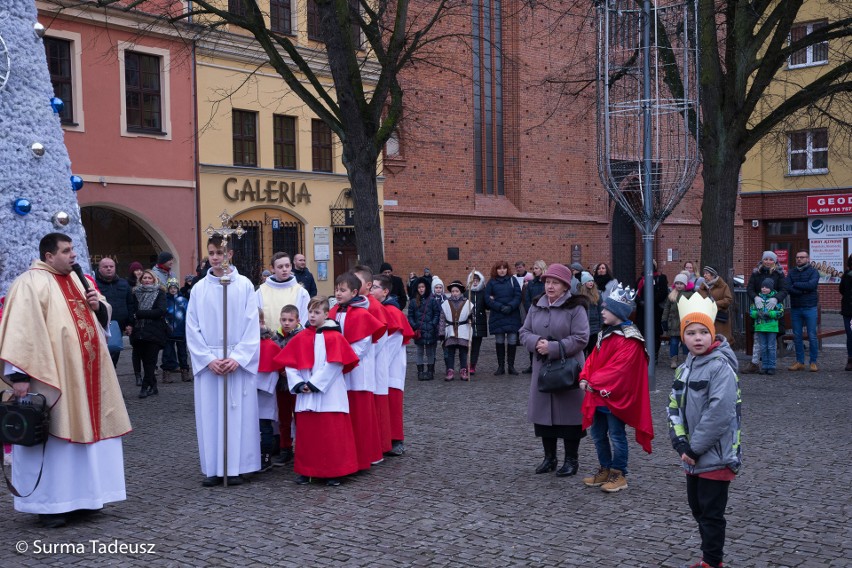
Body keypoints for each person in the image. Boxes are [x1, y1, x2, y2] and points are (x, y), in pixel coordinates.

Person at [0, 232, 132, 528]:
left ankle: (85, 499)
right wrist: (19, 376)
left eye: (73, 249)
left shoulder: (77, 279)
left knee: (86, 443)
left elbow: (101, 314)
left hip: (88, 377)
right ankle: (50, 504)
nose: (73, 255)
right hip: (53, 379)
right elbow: (19, 333)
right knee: (56, 440)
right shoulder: (29, 284)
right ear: (49, 255)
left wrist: (99, 307)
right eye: (66, 250)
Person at [667, 294, 742, 568]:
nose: (697, 338)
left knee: (711, 513)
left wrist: (695, 447)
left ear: (712, 334)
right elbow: (673, 405)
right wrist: (681, 443)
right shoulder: (685, 368)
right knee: (697, 509)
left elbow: (719, 412)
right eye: (690, 332)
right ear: (683, 337)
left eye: (702, 332)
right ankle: (708, 557)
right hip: (691, 456)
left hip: (716, 455)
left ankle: (712, 561)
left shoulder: (720, 367)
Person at [187, 235, 261, 487]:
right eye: (211, 252)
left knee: (237, 413)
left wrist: (238, 358)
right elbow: (192, 327)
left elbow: (252, 326)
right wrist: (208, 359)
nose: (215, 257)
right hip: (210, 362)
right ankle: (214, 468)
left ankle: (238, 467)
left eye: (220, 252)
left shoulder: (244, 286)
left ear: (230, 254)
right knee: (211, 415)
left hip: (236, 361)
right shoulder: (199, 288)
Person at [276, 296, 360, 486]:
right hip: (305, 395)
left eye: (317, 313)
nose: (312, 316)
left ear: (325, 314)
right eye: (310, 312)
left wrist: (314, 384)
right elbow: (290, 364)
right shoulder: (301, 336)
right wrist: (298, 384)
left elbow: (336, 364)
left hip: (329, 394)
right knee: (308, 436)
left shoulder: (335, 337)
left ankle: (334, 472)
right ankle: (307, 470)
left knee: (331, 435)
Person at [579, 284, 654, 493]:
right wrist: (585, 376)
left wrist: (591, 381)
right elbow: (593, 358)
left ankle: (618, 473)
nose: (601, 311)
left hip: (615, 397)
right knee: (598, 434)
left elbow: (619, 370)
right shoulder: (607, 333)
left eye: (606, 309)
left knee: (616, 435)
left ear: (618, 312)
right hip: (598, 396)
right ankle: (604, 468)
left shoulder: (631, 339)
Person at [520, 264, 590, 477]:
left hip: (568, 368)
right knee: (544, 418)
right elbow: (524, 331)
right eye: (548, 282)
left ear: (565, 285)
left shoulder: (575, 307)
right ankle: (549, 457)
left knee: (570, 418)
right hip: (543, 369)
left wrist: (552, 348)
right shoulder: (536, 305)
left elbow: (581, 338)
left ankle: (571, 460)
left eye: (555, 283)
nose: (550, 286)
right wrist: (536, 342)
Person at [329, 272, 385, 471]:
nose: (338, 293)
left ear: (354, 292)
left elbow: (363, 344)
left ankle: (364, 457)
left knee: (361, 418)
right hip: (338, 370)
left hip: (357, 370)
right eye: (336, 289)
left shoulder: (362, 314)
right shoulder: (333, 311)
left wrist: (344, 359)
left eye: (342, 290)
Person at [371, 275, 414, 456]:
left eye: (374, 287)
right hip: (379, 366)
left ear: (385, 291)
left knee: (393, 403)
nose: (371, 290)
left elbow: (392, 344)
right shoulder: (375, 310)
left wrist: (377, 366)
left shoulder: (393, 312)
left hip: (391, 366)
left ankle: (396, 439)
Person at [743, 251, 788, 374]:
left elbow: (784, 289)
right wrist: (755, 297)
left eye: (770, 259)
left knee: (771, 343)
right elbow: (750, 288)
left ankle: (770, 365)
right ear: (762, 260)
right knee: (758, 339)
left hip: (773, 309)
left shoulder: (779, 273)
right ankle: (755, 362)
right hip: (758, 309)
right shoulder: (756, 272)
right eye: (765, 259)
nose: (768, 261)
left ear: (775, 261)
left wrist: (776, 298)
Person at [272, 304, 304, 466]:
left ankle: (302, 449)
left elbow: (304, 357)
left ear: (297, 320)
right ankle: (285, 448)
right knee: (283, 418)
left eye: (290, 320)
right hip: (281, 384)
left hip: (297, 385)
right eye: (283, 320)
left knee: (300, 417)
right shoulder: (275, 338)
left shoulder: (302, 336)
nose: (286, 323)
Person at [130, 269, 169, 398]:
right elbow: (132, 310)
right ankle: (154, 386)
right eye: (144, 278)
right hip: (139, 332)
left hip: (155, 331)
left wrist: (139, 314)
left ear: (154, 279)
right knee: (144, 360)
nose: (147, 280)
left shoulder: (160, 293)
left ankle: (144, 387)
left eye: (149, 278)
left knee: (150, 361)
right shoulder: (135, 293)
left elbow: (160, 311)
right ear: (141, 280)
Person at [485, 260, 523, 375]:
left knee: (512, 340)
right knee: (499, 341)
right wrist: (500, 307)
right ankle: (500, 366)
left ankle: (511, 366)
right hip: (498, 315)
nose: (502, 270)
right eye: (499, 268)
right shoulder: (491, 282)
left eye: (504, 268)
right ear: (496, 270)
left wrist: (510, 306)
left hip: (512, 314)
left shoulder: (513, 280)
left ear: (507, 269)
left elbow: (518, 295)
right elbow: (487, 298)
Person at [95, 257, 134, 366]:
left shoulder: (124, 284)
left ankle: (111, 376)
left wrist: (130, 323)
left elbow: (130, 304)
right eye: (105, 267)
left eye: (111, 266)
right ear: (99, 268)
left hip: (119, 326)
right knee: (102, 355)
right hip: (101, 325)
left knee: (114, 351)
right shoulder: (93, 284)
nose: (109, 269)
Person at [257, 252, 310, 330]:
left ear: (291, 266)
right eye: (280, 267)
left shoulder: (301, 292)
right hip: (268, 339)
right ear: (272, 268)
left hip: (294, 339)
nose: (284, 269)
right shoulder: (260, 291)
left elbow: (304, 319)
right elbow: (257, 319)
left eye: (287, 266)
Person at [786, 250, 820, 372]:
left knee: (812, 336)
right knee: (797, 336)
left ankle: (813, 362)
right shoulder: (791, 272)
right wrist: (802, 290)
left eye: (802, 257)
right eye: (797, 257)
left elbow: (812, 285)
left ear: (808, 259)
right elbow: (788, 287)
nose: (799, 259)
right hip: (796, 308)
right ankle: (800, 361)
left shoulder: (813, 271)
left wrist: (796, 285)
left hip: (810, 307)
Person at [256, 313, 281, 473]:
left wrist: (259, 385)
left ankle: (266, 458)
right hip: (248, 395)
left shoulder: (270, 344)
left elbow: (276, 370)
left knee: (265, 428)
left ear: (262, 322)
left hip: (264, 394)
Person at [438, 280, 473, 381]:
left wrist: (471, 317)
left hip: (463, 330)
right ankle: (450, 370)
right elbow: (442, 319)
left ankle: (463, 370)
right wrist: (441, 333)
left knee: (463, 352)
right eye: (453, 291)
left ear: (460, 292)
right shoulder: (446, 304)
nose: (454, 293)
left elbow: (471, 318)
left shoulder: (467, 303)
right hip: (450, 330)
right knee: (450, 352)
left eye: (457, 291)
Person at [635, 260, 668, 362]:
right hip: (641, 311)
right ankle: (642, 354)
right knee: (641, 333)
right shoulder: (640, 279)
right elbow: (635, 293)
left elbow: (663, 293)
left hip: (655, 310)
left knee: (654, 333)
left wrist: (650, 301)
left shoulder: (660, 278)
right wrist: (640, 301)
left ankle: (654, 355)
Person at [749, 278, 784, 376]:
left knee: (771, 347)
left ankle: (771, 366)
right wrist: (757, 314)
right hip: (760, 327)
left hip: (772, 327)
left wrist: (771, 314)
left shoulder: (775, 300)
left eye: (766, 287)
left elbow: (780, 312)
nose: (764, 289)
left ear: (771, 288)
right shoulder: (757, 299)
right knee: (763, 347)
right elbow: (751, 311)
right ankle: (764, 366)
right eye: (762, 287)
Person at [408, 278, 440, 380]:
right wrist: (415, 326)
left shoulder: (432, 301)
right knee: (420, 351)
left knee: (430, 351)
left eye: (422, 287)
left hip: (431, 330)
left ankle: (430, 371)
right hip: (420, 330)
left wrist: (433, 324)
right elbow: (410, 316)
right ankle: (420, 372)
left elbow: (436, 313)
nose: (421, 289)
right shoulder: (413, 302)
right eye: (419, 287)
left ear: (426, 288)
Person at [662, 273, 695, 369]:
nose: (679, 285)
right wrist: (664, 320)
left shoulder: (690, 295)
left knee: (686, 343)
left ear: (685, 284)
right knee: (673, 342)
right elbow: (666, 309)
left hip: (686, 323)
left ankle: (687, 359)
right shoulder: (672, 295)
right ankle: (673, 360)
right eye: (677, 283)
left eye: (681, 283)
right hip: (673, 323)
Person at [162, 278, 191, 383]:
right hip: (168, 331)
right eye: (171, 288)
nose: (173, 290)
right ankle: (166, 372)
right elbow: (162, 313)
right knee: (167, 353)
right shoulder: (165, 300)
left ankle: (185, 371)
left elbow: (188, 314)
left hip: (180, 330)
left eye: (175, 288)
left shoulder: (183, 300)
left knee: (183, 353)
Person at [522, 261, 547, 373]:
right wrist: (530, 310)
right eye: (534, 268)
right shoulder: (531, 283)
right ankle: (532, 364)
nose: (534, 270)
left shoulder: (546, 283)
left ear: (542, 269)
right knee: (533, 339)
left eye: (536, 268)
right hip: (533, 312)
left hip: (545, 313)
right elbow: (526, 299)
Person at [696, 266, 734, 342]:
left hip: (719, 318)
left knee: (720, 340)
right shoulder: (702, 287)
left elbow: (728, 299)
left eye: (707, 273)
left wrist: (715, 304)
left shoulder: (723, 286)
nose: (704, 275)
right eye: (704, 273)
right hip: (706, 318)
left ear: (713, 275)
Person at [466, 270, 488, 375]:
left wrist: (490, 298)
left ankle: (473, 365)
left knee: (476, 346)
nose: (475, 282)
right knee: (467, 345)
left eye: (477, 280)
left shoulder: (483, 293)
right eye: (473, 280)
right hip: (468, 323)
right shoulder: (466, 293)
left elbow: (487, 306)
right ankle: (466, 364)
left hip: (479, 323)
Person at [577, 271, 602, 357]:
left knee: (593, 352)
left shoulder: (598, 294)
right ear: (584, 283)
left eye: (592, 281)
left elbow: (600, 310)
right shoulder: (579, 295)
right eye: (588, 281)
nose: (591, 283)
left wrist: (601, 326)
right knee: (583, 352)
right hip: (583, 327)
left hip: (595, 327)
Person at [840, 256, 852, 371]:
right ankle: (850, 359)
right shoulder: (847, 275)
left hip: (848, 308)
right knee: (850, 335)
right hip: (848, 310)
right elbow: (842, 290)